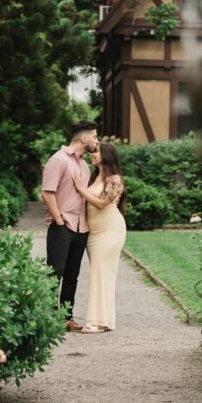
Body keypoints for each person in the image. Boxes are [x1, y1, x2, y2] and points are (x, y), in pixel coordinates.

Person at [41, 120, 99, 332]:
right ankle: (47, 318)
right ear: (83, 138)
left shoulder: (83, 165)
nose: (96, 141)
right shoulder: (58, 160)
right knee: (54, 273)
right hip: (62, 226)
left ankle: (66, 318)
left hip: (81, 228)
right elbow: (47, 192)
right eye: (94, 136)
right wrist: (58, 220)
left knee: (72, 275)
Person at [72, 142, 127, 334]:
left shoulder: (115, 179)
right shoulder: (92, 177)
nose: (92, 154)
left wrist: (81, 189)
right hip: (93, 233)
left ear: (107, 155)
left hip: (110, 230)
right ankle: (103, 320)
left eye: (96, 152)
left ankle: (98, 321)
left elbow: (103, 203)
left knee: (100, 271)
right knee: (100, 273)